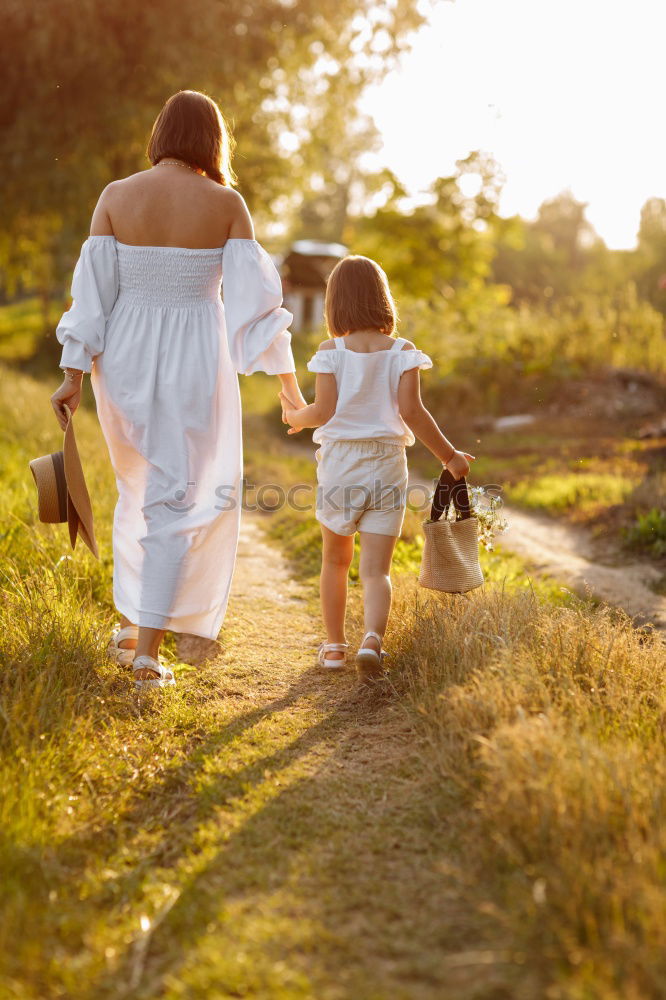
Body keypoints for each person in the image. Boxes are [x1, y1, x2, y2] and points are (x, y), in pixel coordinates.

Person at [50, 90, 306, 689]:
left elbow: (91, 298)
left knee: (139, 489)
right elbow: (260, 310)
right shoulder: (226, 203)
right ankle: (147, 654)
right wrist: (291, 390)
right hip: (196, 353)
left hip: (126, 354)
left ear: (162, 133)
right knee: (175, 498)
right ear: (212, 139)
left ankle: (138, 629)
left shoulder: (116, 196)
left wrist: (71, 375)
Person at [280, 255, 474, 679]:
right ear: (382, 299)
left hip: (341, 466)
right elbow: (413, 411)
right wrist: (449, 457)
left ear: (336, 304)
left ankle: (334, 648)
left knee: (335, 561)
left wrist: (295, 416)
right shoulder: (403, 352)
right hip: (388, 464)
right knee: (376, 570)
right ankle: (372, 639)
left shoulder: (331, 352)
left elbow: (323, 411)